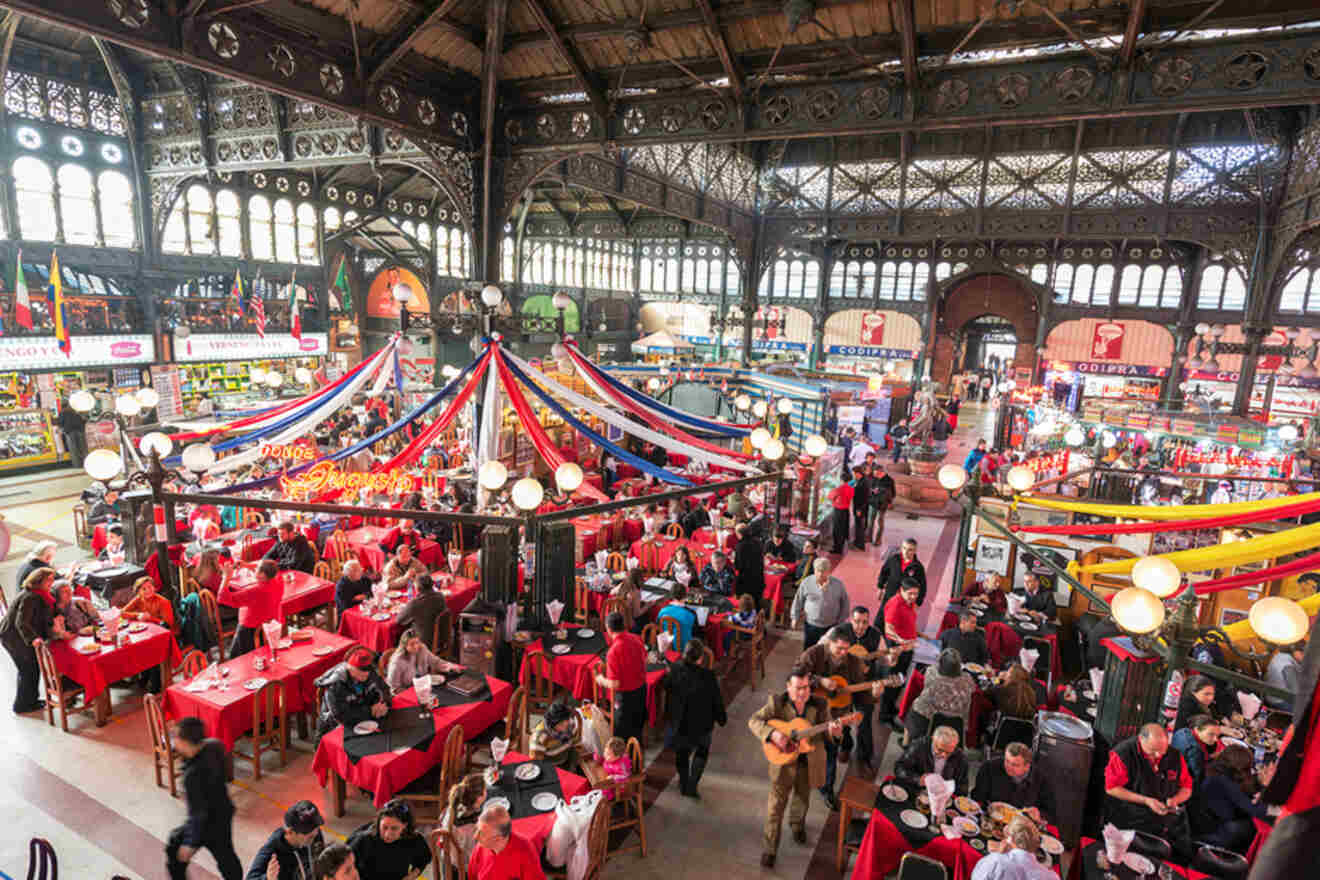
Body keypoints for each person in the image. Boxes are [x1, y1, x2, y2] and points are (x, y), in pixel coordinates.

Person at [748, 666, 843, 868]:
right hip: (783, 765)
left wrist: (834, 733)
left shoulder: (820, 704)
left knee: (802, 799)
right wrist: (773, 734)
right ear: (788, 687)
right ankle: (770, 848)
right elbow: (753, 721)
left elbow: (828, 733)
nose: (803, 692)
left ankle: (797, 825)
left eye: (807, 687)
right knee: (775, 809)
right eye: (798, 688)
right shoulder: (777, 703)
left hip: (808, 763)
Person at [798, 626, 885, 807]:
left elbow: (862, 696)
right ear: (829, 644)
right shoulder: (814, 653)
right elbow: (796, 675)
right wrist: (819, 680)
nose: (843, 653)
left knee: (831, 751)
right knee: (807, 745)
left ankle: (827, 790)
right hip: (811, 709)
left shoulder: (853, 662)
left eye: (846, 649)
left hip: (837, 715)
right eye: (839, 649)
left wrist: (875, 695)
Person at [166, 716, 243, 880]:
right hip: (223, 811)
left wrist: (190, 844)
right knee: (226, 857)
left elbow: (198, 814)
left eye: (176, 737)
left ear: (186, 742)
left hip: (208, 823)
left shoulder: (191, 776)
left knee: (175, 848)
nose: (174, 741)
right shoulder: (214, 745)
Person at [1103, 723, 1195, 860]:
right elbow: (1111, 788)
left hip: (1166, 816)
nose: (1157, 756)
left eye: (1162, 751)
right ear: (1141, 739)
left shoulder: (1175, 756)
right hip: (1132, 814)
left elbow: (1187, 787)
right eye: (1152, 751)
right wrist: (1146, 800)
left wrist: (1175, 800)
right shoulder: (1123, 753)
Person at [666, 636, 727, 798]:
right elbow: (716, 700)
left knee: (682, 753)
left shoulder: (674, 669)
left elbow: (668, 689)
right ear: (700, 658)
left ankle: (683, 782)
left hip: (681, 723)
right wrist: (722, 718)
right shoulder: (708, 676)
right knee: (702, 752)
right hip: (702, 724)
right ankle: (692, 784)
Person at [1192, 744, 1280, 853]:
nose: (1250, 771)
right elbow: (1254, 810)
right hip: (1214, 828)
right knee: (1252, 827)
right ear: (1237, 767)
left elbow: (1244, 791)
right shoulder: (1224, 781)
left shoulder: (1215, 767)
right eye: (1247, 768)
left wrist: (1260, 783)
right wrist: (1279, 810)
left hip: (1206, 818)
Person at [1, 567, 56, 713]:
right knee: (28, 670)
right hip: (14, 638)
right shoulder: (31, 597)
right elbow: (21, 622)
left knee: (31, 669)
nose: (52, 582)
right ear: (39, 580)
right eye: (48, 579)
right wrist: (33, 639)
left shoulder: (36, 594)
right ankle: (22, 705)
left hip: (17, 636)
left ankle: (31, 700)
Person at [971, 743, 1057, 823]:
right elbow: (977, 797)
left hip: (1020, 826)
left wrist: (1040, 815)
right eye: (1007, 761)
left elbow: (1051, 814)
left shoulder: (1042, 781)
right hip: (990, 819)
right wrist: (985, 805)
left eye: (1015, 765)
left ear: (1027, 767)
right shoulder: (989, 767)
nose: (1009, 767)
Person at [346, 799, 431, 880]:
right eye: (384, 827)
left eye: (394, 828)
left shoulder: (413, 839)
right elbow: (342, 866)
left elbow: (424, 858)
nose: (387, 835)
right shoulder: (364, 839)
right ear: (379, 822)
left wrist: (410, 877)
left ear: (405, 825)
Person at [316, 646, 390, 737]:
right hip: (335, 727)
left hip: (364, 718)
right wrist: (370, 710)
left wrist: (382, 704)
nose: (366, 677)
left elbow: (384, 689)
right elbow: (340, 715)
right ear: (350, 668)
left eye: (367, 675)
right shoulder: (336, 683)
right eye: (361, 675)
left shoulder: (370, 672)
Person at [218, 559, 284, 659]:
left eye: (257, 569)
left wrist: (226, 577)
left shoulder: (255, 591)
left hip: (250, 631)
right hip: (269, 627)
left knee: (235, 659)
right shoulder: (278, 582)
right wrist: (246, 565)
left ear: (262, 575)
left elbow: (222, 598)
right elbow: (270, 569)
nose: (254, 568)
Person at [597, 611, 647, 742]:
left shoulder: (613, 652)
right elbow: (645, 659)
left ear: (608, 629)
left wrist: (601, 680)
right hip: (641, 691)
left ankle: (624, 761)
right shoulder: (636, 638)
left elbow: (615, 684)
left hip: (625, 698)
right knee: (637, 731)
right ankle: (636, 756)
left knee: (620, 735)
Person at [245, 800, 326, 880]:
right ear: (290, 832)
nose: (315, 834)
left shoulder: (314, 833)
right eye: (309, 835)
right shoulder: (272, 851)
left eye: (316, 829)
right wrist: (268, 878)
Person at [908, 648, 976, 742]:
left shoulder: (931, 672)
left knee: (913, 710)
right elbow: (973, 689)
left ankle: (907, 742)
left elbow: (925, 681)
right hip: (956, 724)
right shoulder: (968, 679)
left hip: (926, 719)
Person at [467, 802, 545, 880]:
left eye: (482, 834)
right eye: (477, 829)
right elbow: (472, 874)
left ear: (498, 839)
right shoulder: (481, 846)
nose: (475, 836)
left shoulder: (526, 853)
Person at [969, 814, 1056, 880]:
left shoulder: (996, 861)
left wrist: (998, 854)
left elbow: (976, 877)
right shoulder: (1051, 876)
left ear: (1009, 839)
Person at [881, 579, 921, 719]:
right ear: (901, 591)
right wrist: (901, 641)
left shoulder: (909, 603)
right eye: (910, 594)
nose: (913, 597)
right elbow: (888, 629)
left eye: (916, 594)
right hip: (897, 649)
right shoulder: (896, 605)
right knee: (892, 680)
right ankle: (884, 714)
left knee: (900, 679)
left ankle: (891, 706)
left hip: (907, 647)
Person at [790, 557, 849, 650]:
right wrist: (794, 617)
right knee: (809, 650)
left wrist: (840, 623)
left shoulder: (838, 585)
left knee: (827, 651)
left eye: (824, 571)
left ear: (829, 571)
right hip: (811, 625)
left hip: (831, 626)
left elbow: (845, 604)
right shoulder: (807, 582)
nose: (821, 574)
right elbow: (798, 600)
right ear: (814, 570)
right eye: (818, 571)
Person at [894, 726, 970, 794]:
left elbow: (964, 788)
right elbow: (899, 768)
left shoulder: (961, 758)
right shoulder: (918, 746)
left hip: (943, 796)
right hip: (917, 790)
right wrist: (918, 779)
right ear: (933, 739)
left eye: (948, 752)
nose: (944, 755)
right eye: (940, 750)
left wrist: (947, 787)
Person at [386, 628, 461, 696]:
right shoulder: (397, 662)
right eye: (412, 644)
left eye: (417, 642)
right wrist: (413, 695)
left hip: (423, 687)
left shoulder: (422, 648)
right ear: (404, 646)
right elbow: (394, 688)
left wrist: (450, 666)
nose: (416, 646)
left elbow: (435, 662)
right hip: (406, 692)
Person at [438, 774, 487, 869]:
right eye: (485, 790)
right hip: (464, 870)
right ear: (479, 798)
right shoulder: (474, 827)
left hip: (447, 866)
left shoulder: (451, 808)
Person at [394, 574, 450, 655]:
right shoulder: (440, 596)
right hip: (442, 637)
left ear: (417, 588)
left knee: (401, 635)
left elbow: (398, 620)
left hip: (424, 642)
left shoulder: (415, 603)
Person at [528, 699, 582, 768]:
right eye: (561, 724)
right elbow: (536, 762)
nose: (567, 724)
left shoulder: (568, 724)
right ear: (552, 724)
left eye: (567, 720)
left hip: (564, 755)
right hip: (550, 765)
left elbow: (574, 736)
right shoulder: (540, 737)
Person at [1171, 713, 1220, 787]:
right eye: (1211, 734)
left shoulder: (1183, 731)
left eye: (1217, 735)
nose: (1216, 739)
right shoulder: (1195, 750)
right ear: (1197, 729)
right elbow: (1199, 778)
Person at [878, 538, 927, 606]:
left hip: (905, 601)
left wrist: (918, 602)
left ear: (915, 551)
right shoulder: (894, 559)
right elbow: (884, 572)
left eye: (910, 550)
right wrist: (880, 587)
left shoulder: (918, 567)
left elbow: (922, 586)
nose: (905, 552)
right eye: (904, 548)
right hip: (889, 596)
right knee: (882, 616)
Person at [655, 583, 698, 651]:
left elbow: (657, 627)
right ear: (685, 596)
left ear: (671, 595)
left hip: (667, 647)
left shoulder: (662, 611)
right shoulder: (691, 613)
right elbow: (695, 632)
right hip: (685, 649)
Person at [1265, 640, 1305, 709]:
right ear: (1295, 652)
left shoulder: (1278, 656)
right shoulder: (1288, 667)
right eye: (1302, 653)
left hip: (1270, 694)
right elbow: (1296, 692)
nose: (1304, 656)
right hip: (1279, 701)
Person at [732, 523, 764, 608]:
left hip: (746, 582)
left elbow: (738, 566)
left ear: (739, 534)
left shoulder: (740, 546)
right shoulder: (758, 542)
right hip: (759, 579)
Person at [57, 397, 88, 469]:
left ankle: (77, 465)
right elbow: (84, 420)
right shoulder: (77, 410)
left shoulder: (62, 412)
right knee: (83, 448)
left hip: (70, 432)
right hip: (80, 431)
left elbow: (60, 422)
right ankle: (86, 463)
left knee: (73, 449)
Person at [869, 461, 895, 545]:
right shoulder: (874, 478)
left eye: (875, 473)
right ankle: (868, 537)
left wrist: (889, 502)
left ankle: (878, 540)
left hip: (882, 504)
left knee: (880, 522)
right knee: (870, 521)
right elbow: (871, 487)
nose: (874, 475)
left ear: (881, 472)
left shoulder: (889, 480)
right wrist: (873, 490)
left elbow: (893, 493)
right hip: (873, 503)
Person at [828, 476, 853, 555]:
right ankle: (841, 547)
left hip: (838, 511)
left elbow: (830, 497)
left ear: (841, 480)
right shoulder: (851, 488)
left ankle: (837, 548)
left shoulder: (838, 489)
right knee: (843, 529)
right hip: (846, 511)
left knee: (837, 530)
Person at [850, 465, 872, 551]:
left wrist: (859, 509)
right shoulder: (861, 480)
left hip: (860, 508)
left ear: (858, 473)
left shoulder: (863, 483)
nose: (853, 475)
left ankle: (860, 545)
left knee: (859, 527)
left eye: (854, 474)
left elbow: (865, 499)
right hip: (859, 507)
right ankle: (857, 542)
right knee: (858, 526)